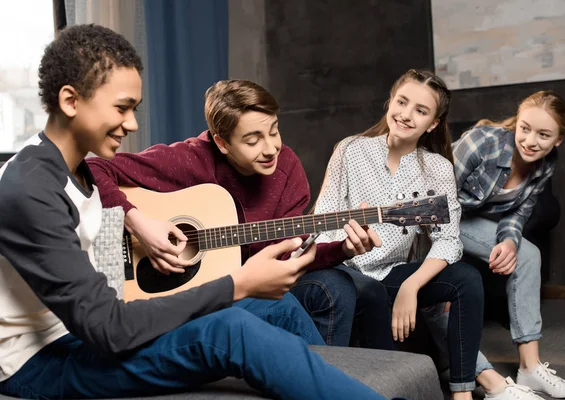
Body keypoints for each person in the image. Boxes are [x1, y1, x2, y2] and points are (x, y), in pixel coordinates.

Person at [0, 24, 395, 400]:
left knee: (277, 308)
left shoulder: (77, 168)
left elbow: (102, 281)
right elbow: (109, 329)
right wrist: (237, 283)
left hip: (87, 329)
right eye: (122, 108)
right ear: (71, 100)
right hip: (42, 361)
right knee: (233, 330)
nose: (133, 124)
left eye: (135, 108)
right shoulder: (29, 189)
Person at [87, 77, 381, 347]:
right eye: (253, 140)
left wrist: (344, 248)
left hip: (256, 278)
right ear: (222, 143)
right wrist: (140, 224)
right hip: (201, 289)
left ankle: (336, 380)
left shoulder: (287, 169)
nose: (271, 149)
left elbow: (289, 254)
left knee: (340, 288)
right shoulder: (189, 159)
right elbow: (91, 168)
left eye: (274, 131)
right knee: (286, 310)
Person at [308, 69, 484, 400]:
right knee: (369, 291)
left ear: (433, 123)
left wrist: (410, 285)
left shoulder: (437, 168)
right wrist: (344, 245)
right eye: (402, 102)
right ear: (390, 101)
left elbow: (448, 239)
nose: (406, 115)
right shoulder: (351, 149)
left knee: (467, 279)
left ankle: (462, 392)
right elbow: (323, 217)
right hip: (346, 268)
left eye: (421, 110)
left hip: (392, 272)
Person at [451, 90, 565, 399]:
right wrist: (442, 259)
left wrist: (509, 241)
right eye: (524, 128)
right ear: (517, 122)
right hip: (437, 218)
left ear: (558, 140)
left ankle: (530, 367)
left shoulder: (546, 162)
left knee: (527, 254)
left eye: (543, 134)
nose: (530, 141)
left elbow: (518, 211)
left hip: (474, 222)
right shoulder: (483, 141)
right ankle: (489, 382)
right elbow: (435, 196)